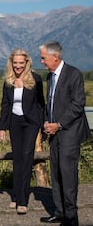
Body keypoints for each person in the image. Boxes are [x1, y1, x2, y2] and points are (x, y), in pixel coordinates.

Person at [39, 41, 90, 226]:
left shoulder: (73, 74)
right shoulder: (50, 76)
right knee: (56, 174)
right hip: (54, 133)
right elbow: (49, 103)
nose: (42, 62)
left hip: (69, 133)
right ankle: (59, 212)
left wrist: (59, 124)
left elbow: (78, 104)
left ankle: (71, 218)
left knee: (68, 176)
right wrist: (46, 121)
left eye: (44, 58)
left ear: (55, 57)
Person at [0, 48, 45, 215]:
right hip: (14, 123)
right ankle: (16, 195)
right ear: (11, 63)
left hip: (31, 123)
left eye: (21, 63)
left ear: (27, 63)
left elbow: (41, 104)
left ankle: (23, 201)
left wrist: (41, 125)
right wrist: (2, 127)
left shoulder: (36, 79)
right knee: (17, 159)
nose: (18, 66)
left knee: (27, 157)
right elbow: (5, 105)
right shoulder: (8, 81)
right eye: (15, 63)